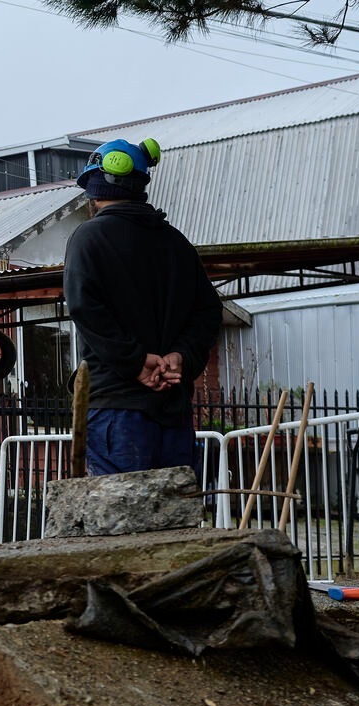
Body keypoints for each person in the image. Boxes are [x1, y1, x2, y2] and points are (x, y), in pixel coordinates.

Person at [63, 137, 222, 477]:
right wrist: (182, 356)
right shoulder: (178, 244)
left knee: (118, 524)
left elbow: (85, 308)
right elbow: (208, 312)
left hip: (116, 412)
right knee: (176, 523)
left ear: (96, 188)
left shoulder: (88, 238)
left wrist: (136, 362)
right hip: (173, 414)